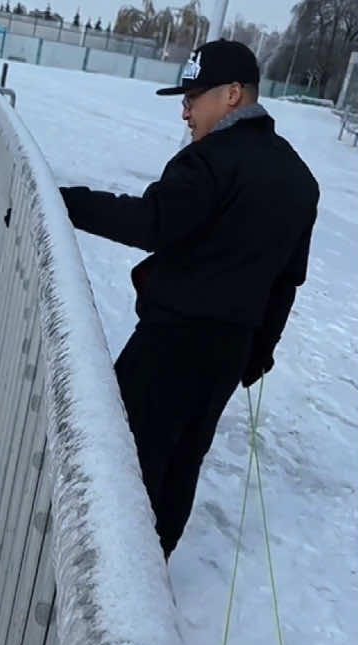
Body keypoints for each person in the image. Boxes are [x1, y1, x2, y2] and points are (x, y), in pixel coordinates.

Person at [59, 39, 320, 558]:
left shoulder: (210, 160)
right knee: (184, 460)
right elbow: (286, 282)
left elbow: (152, 222)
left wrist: (65, 202)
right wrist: (257, 353)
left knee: (122, 454)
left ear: (232, 94)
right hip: (229, 351)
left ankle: (103, 570)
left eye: (192, 98)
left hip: (169, 343)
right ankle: (153, 567)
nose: (185, 112)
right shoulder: (298, 177)